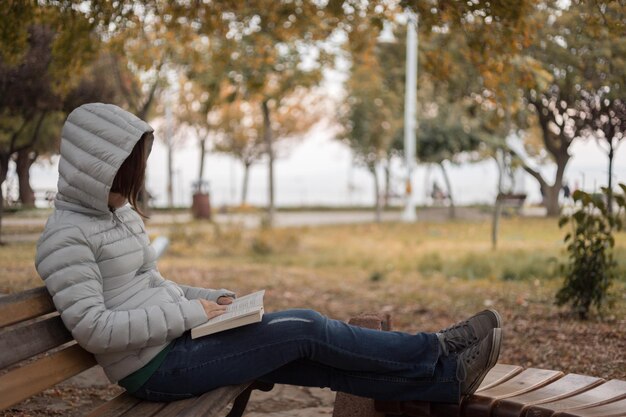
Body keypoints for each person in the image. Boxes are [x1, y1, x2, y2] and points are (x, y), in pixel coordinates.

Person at [35, 103, 503, 404]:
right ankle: (436, 348)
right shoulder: (66, 237)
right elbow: (95, 330)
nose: (135, 185)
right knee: (303, 327)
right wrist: (188, 314)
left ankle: (444, 382)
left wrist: (212, 299)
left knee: (308, 358)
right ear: (98, 173)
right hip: (155, 369)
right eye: (127, 175)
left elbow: (155, 284)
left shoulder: (118, 217)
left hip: (178, 342)